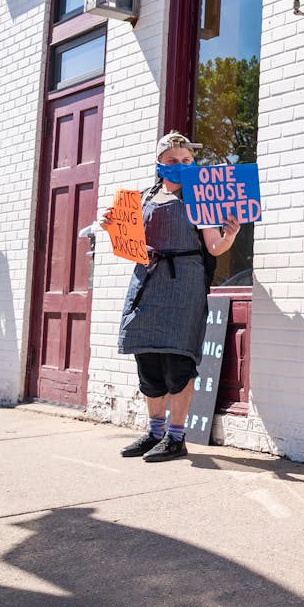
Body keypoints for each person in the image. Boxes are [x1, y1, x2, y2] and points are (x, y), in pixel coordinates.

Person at [102, 132, 241, 463]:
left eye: (187, 160)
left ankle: (177, 437)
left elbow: (214, 247)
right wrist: (111, 227)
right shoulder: (142, 199)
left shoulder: (202, 198)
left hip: (185, 284)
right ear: (159, 163)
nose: (181, 165)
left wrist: (231, 234)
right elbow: (130, 246)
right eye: (173, 160)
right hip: (148, 283)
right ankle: (154, 432)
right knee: (148, 360)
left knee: (179, 361)